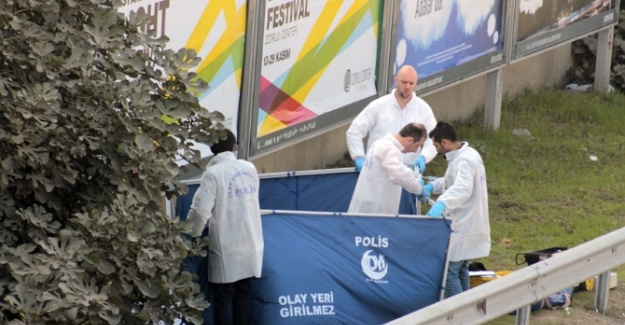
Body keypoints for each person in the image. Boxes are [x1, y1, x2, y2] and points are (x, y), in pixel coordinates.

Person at [187, 129, 264, 325]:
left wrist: (190, 234)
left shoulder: (213, 174)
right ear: (234, 146)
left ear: (212, 149)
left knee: (224, 300)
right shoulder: (250, 168)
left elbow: (200, 211)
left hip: (227, 249)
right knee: (243, 296)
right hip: (251, 245)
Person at [422, 122, 490, 298]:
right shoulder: (465, 155)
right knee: (460, 268)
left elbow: (462, 187)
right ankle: (467, 310)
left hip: (463, 221)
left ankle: (459, 312)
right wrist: (432, 186)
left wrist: (442, 203)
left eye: (436, 145)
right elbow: (450, 181)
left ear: (444, 142)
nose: (436, 150)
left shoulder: (464, 159)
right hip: (466, 221)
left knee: (449, 271)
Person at [346, 65, 437, 173]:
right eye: (404, 82)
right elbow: (354, 131)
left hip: (410, 170)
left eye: (411, 83)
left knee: (413, 188)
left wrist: (423, 157)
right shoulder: (378, 106)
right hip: (379, 171)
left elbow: (434, 138)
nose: (407, 87)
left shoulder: (423, 109)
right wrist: (359, 157)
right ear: (395, 80)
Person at [348, 123, 431, 214]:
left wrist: (414, 181)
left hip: (369, 203)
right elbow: (398, 174)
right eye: (417, 146)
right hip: (376, 209)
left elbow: (398, 168)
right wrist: (419, 188)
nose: (415, 150)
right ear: (410, 140)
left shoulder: (381, 143)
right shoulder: (389, 149)